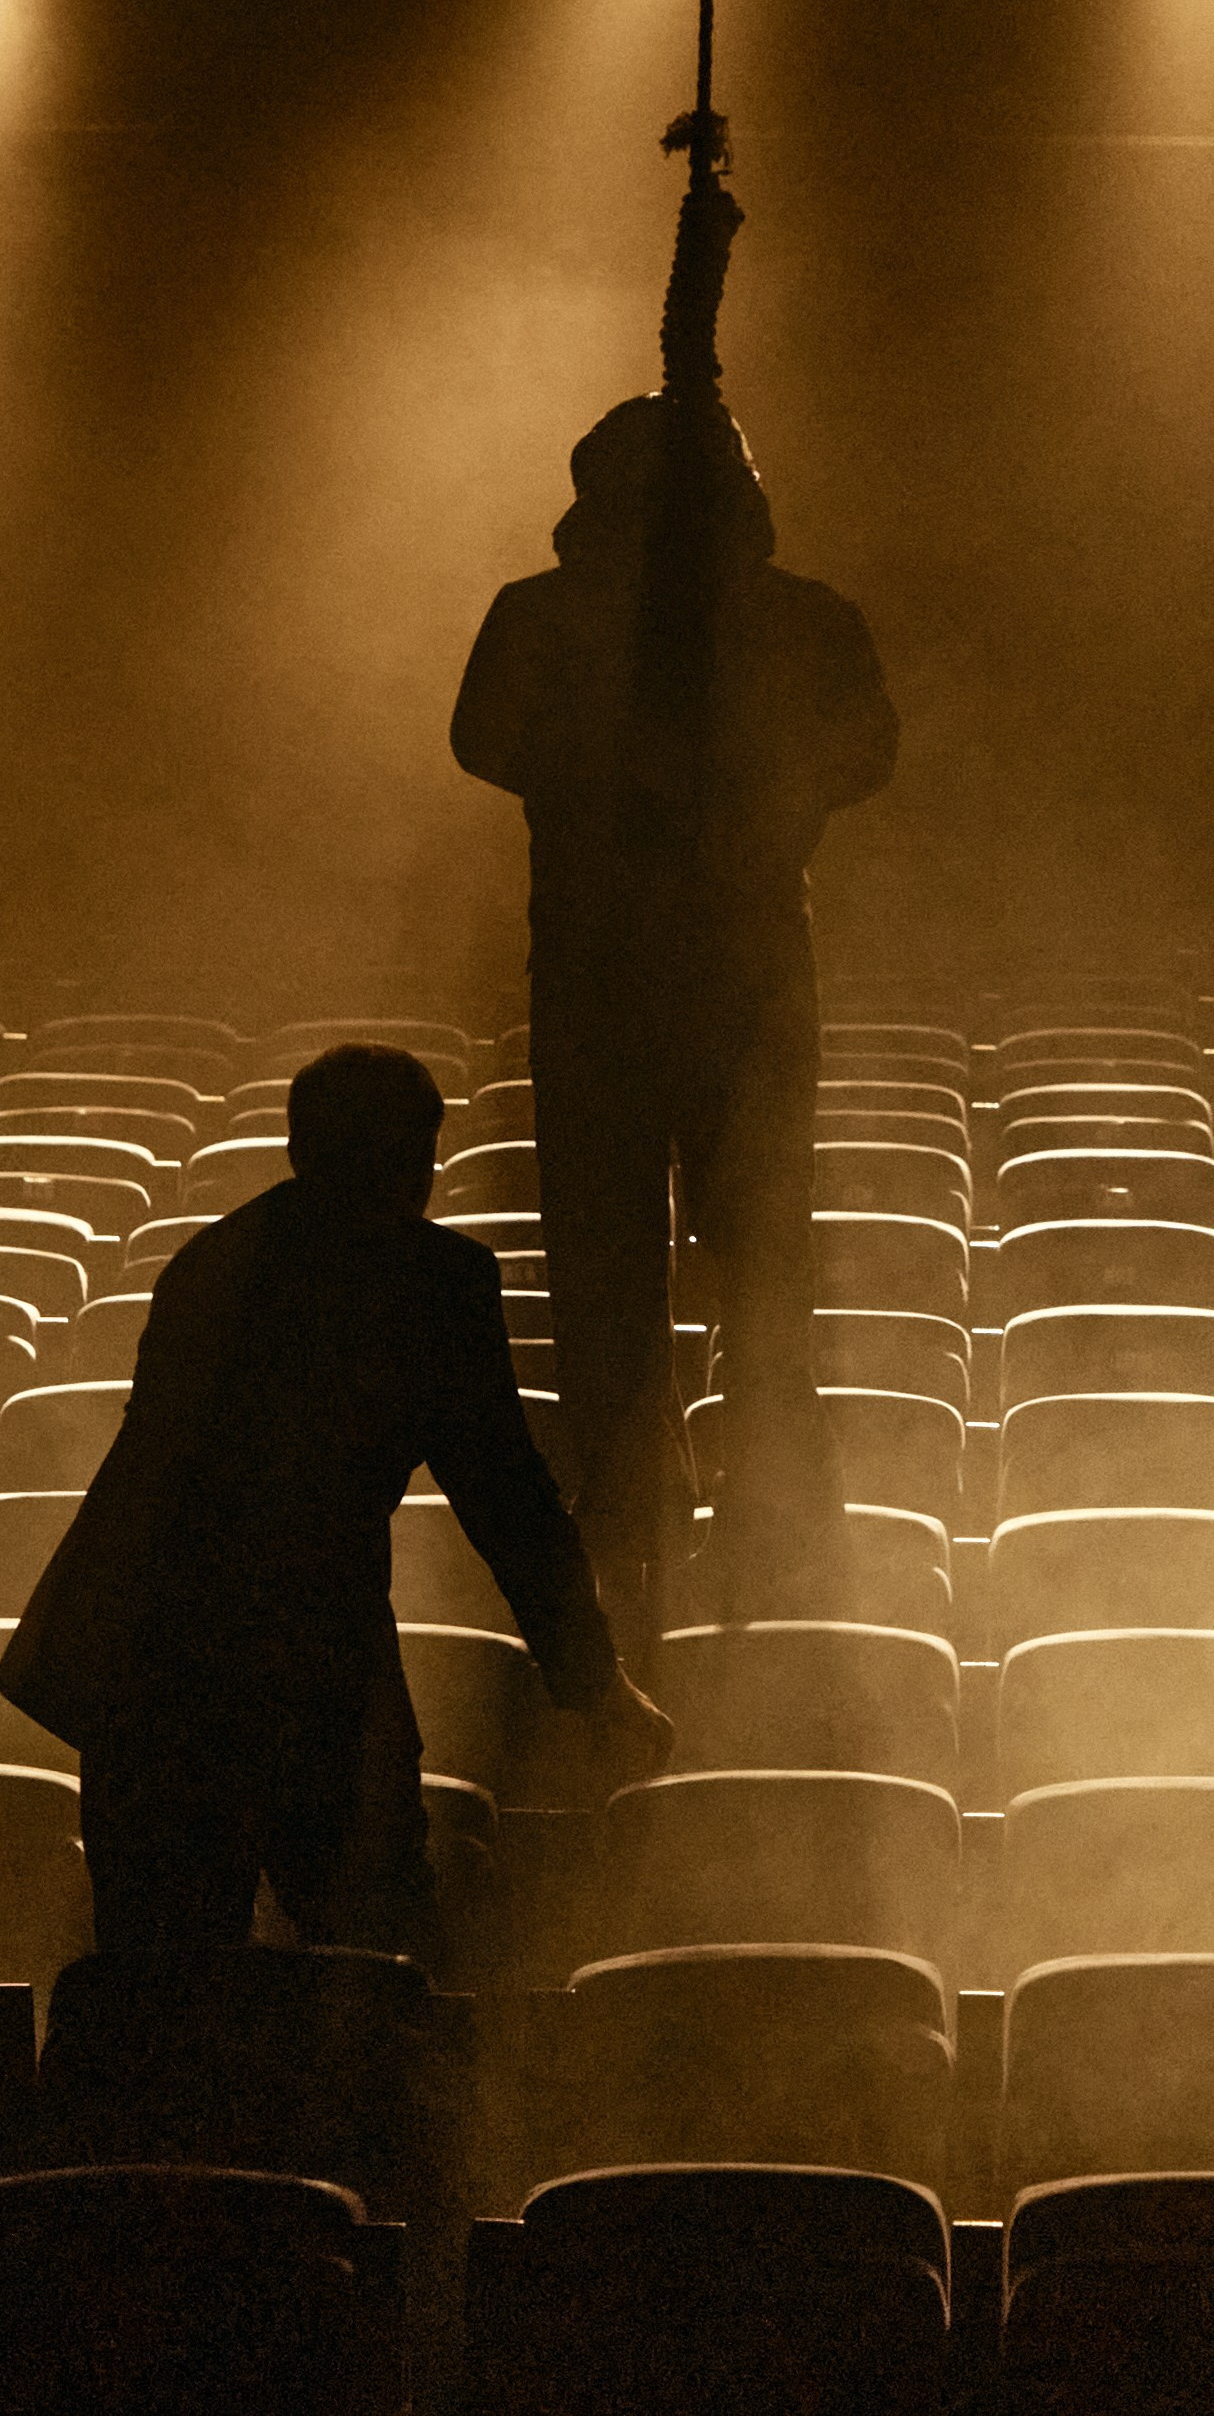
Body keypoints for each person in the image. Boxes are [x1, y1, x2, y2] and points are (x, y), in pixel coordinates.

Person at [0, 1040, 673, 1961]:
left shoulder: (209, 1260)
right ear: (422, 1161)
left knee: (164, 1986)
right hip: (307, 1659)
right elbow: (507, 1498)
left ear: (295, 1149)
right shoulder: (432, 1281)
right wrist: (594, 1682)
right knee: (372, 1969)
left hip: (142, 1663)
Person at [451, 385, 898, 1617]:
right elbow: (483, 736)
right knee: (655, 1253)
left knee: (748, 1253)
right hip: (636, 974)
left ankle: (750, 1510)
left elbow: (864, 747)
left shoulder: (780, 619)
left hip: (702, 976)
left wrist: (733, 786)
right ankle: (648, 1506)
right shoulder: (561, 617)